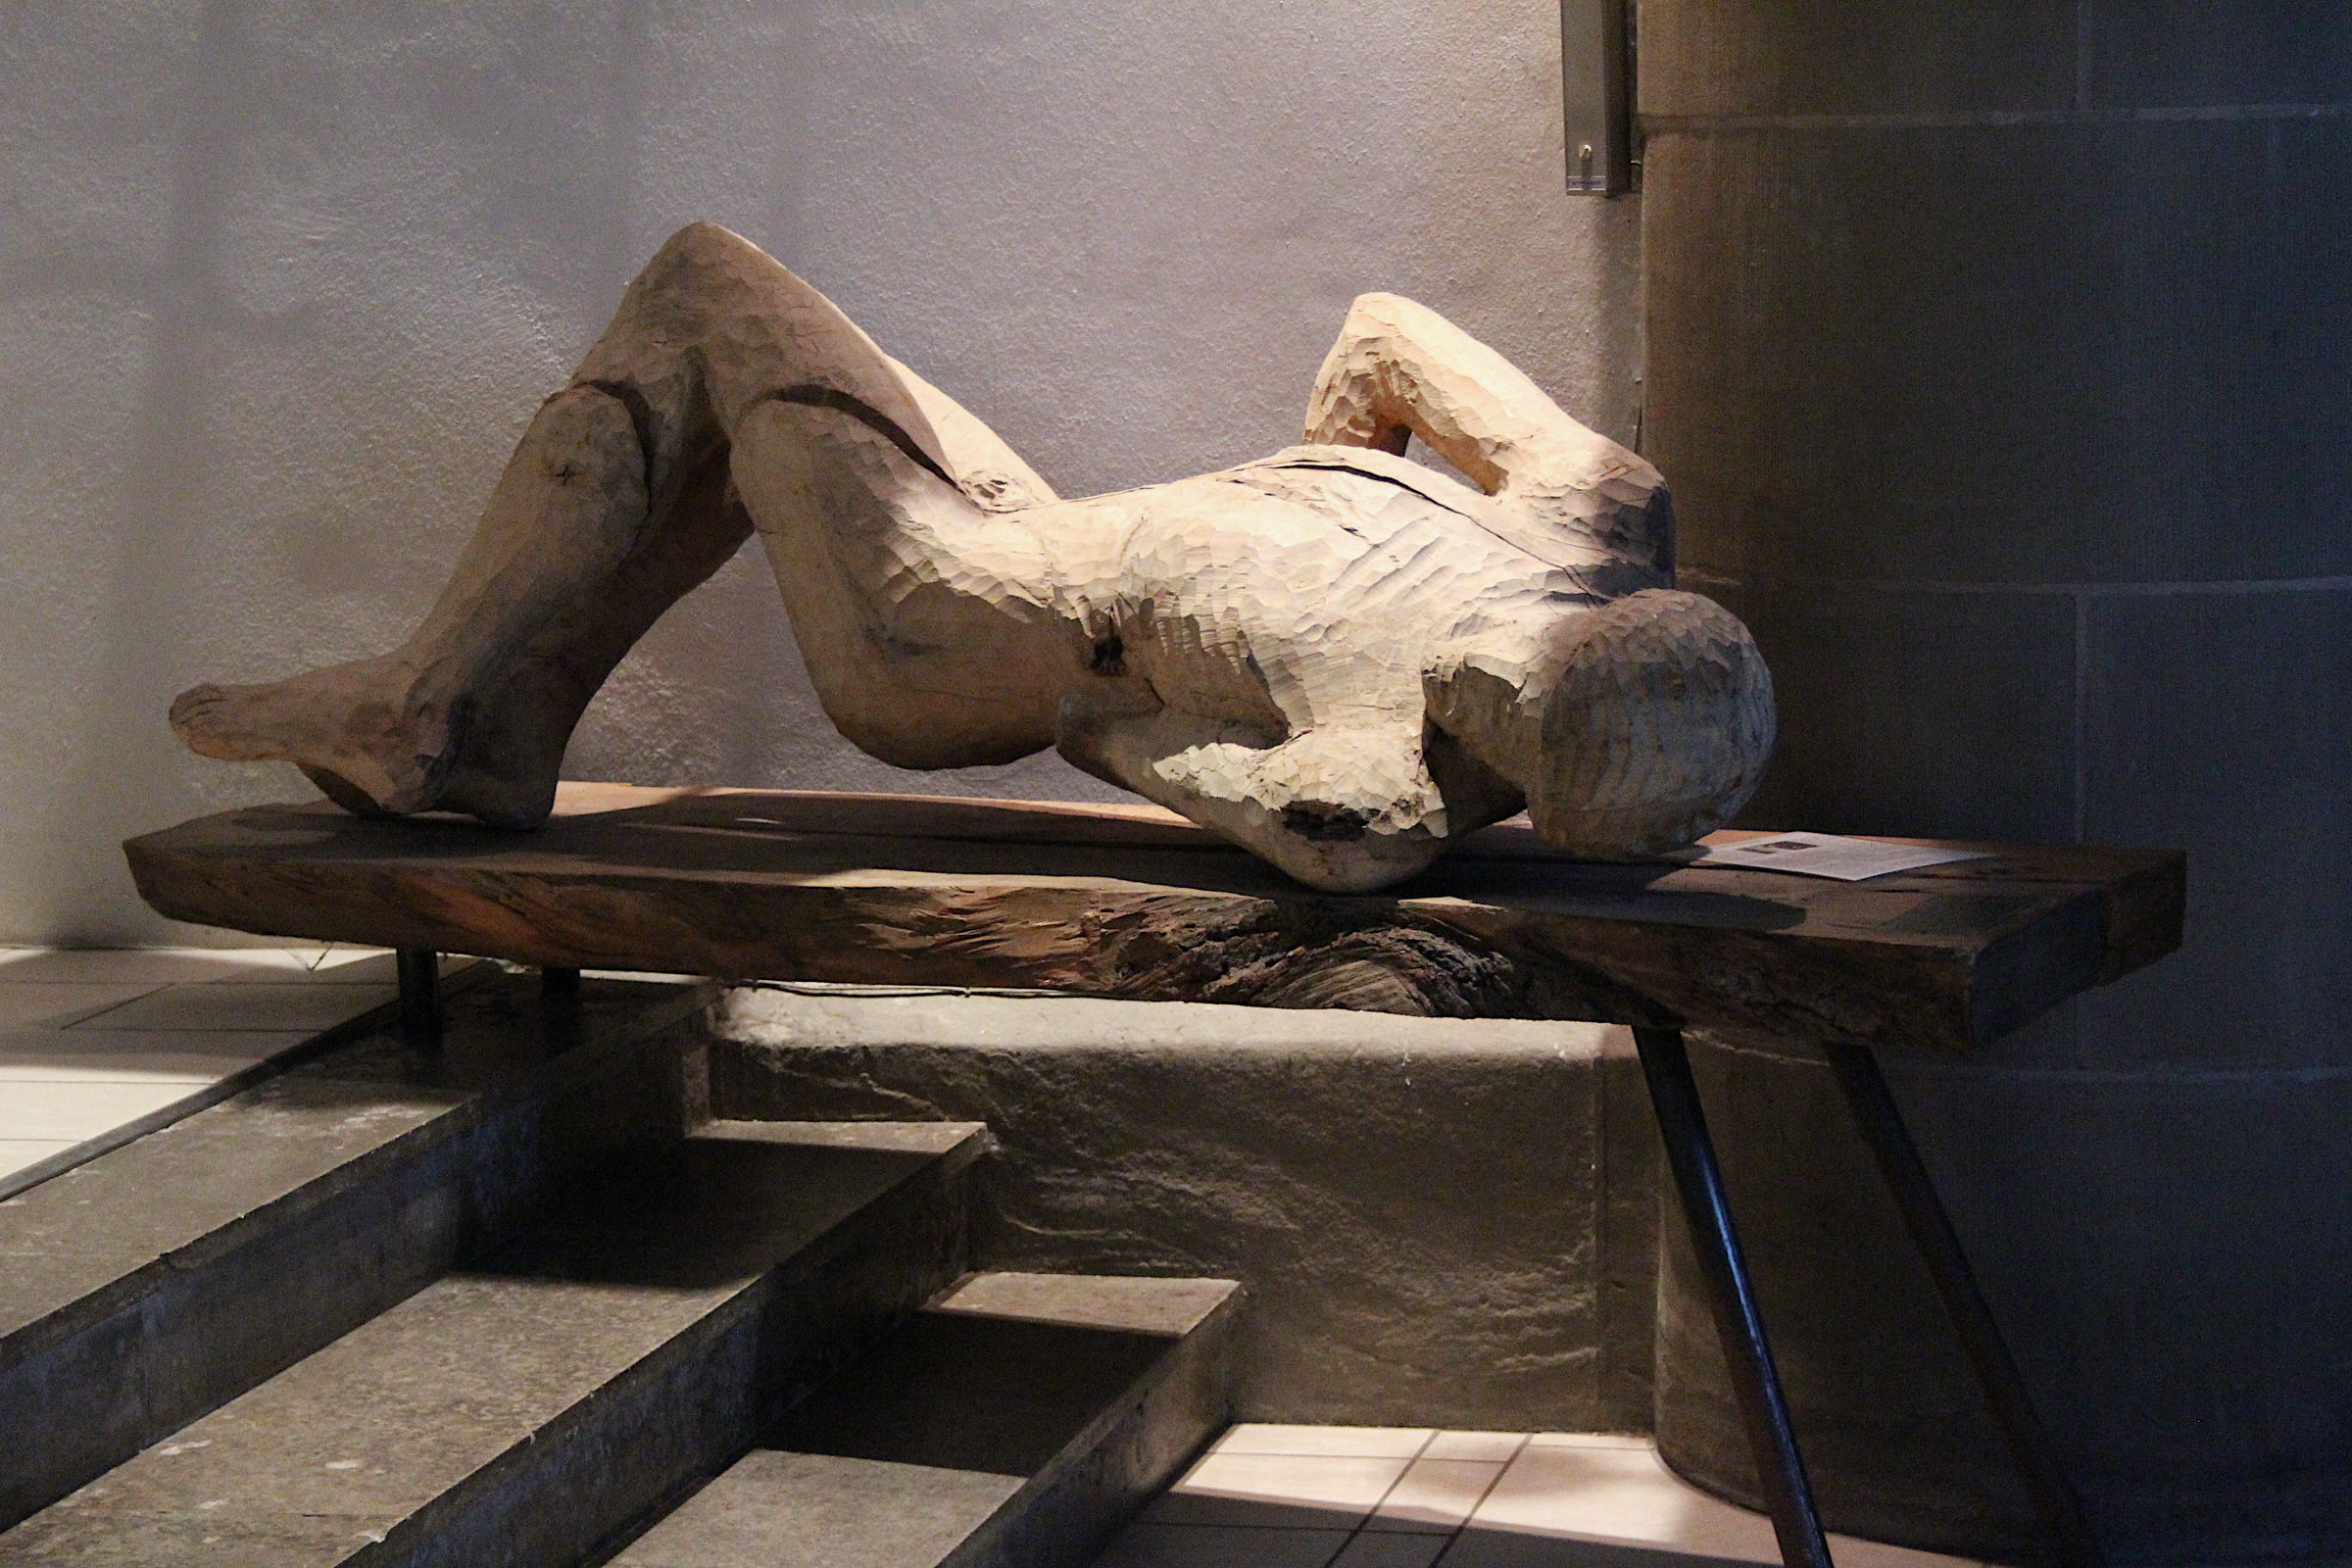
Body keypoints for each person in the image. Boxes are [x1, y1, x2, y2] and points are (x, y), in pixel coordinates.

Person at [172, 222, 1772, 893]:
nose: (1476, 678)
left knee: (710, 292)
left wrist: (1118, 691)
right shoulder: (1597, 499)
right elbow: (1383, 335)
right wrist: (1285, 510)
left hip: (937, 625)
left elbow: (1235, 796)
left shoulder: (1380, 770)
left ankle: (428, 703)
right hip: (1032, 540)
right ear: (1626, 602)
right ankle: (494, 720)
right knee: (754, 367)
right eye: (1531, 667)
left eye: (1508, 728)